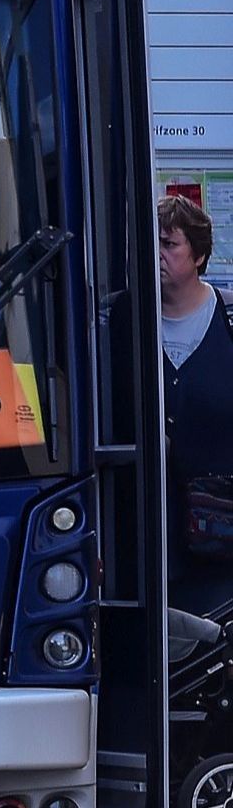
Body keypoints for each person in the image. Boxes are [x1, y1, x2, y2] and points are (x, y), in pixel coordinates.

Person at [160, 194, 233, 617]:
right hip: (151, 543)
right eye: (153, 243)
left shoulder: (226, 319)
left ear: (199, 254)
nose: (159, 254)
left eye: (170, 244)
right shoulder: (122, 323)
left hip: (220, 543)